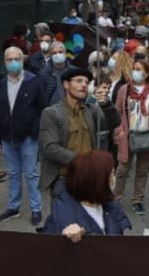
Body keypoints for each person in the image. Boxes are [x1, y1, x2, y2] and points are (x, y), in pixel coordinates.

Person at [0, 46, 49, 226]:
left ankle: (36, 209)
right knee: (14, 173)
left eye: (16, 59)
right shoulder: (0, 84)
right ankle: (13, 207)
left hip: (28, 138)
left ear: (22, 60)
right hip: (7, 138)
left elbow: (43, 108)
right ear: (5, 62)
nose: (13, 62)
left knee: (31, 173)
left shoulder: (34, 81)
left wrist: (35, 130)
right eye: (9, 59)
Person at [39, 65, 108, 204]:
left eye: (86, 83)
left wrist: (107, 105)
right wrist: (83, 162)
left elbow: (112, 124)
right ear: (65, 84)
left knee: (88, 222)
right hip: (64, 179)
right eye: (78, 81)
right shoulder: (51, 113)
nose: (84, 85)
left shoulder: (91, 110)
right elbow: (50, 148)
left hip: (89, 178)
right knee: (66, 223)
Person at [113, 58, 149, 214]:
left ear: (147, 73)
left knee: (142, 170)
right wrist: (119, 131)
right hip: (128, 136)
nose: (135, 72)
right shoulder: (124, 89)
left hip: (147, 136)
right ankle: (115, 199)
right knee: (122, 170)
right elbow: (116, 112)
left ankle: (138, 200)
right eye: (133, 68)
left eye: (139, 69)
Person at [44, 149, 133, 240]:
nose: (114, 179)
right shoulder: (59, 219)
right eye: (111, 176)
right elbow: (48, 250)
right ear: (98, 183)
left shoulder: (111, 205)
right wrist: (63, 239)